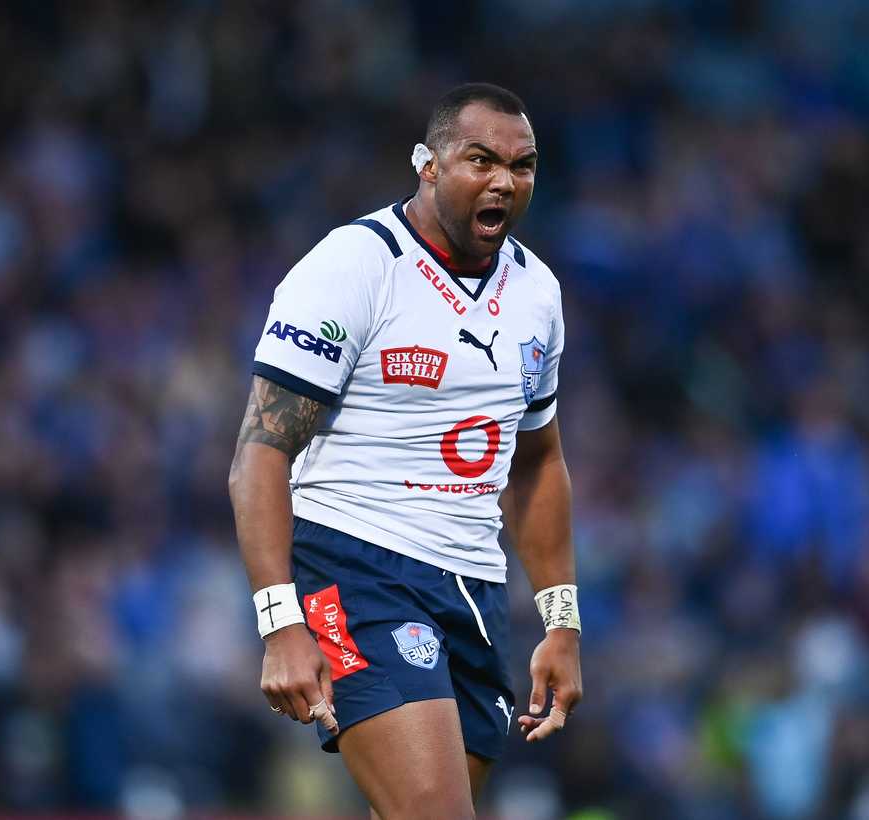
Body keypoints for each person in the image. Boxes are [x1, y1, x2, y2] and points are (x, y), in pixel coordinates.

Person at [228, 83, 582, 819]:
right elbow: (259, 454)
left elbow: (537, 459)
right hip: (357, 569)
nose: (502, 182)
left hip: (474, 590)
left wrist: (562, 620)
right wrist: (279, 621)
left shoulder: (537, 293)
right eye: (479, 159)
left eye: (522, 166)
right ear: (427, 164)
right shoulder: (355, 266)